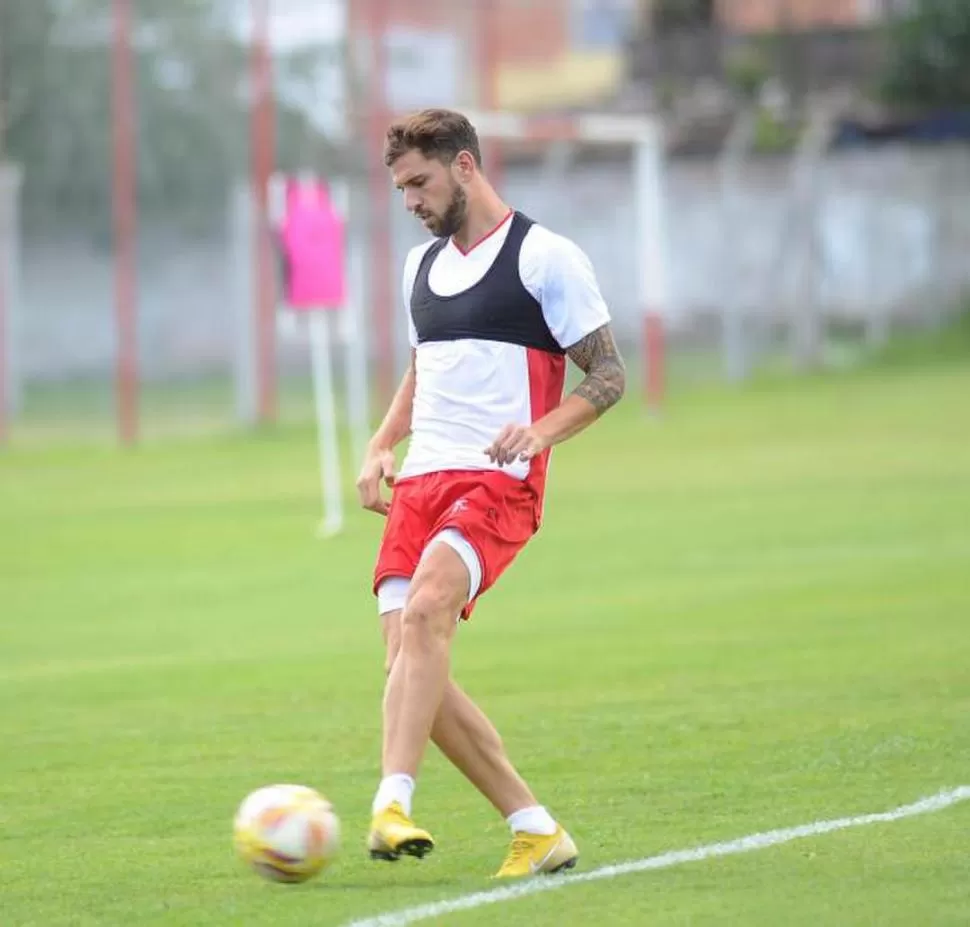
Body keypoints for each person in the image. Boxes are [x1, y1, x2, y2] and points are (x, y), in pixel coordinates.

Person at [356, 108, 626, 878]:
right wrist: (382, 443)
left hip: (498, 481)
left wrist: (542, 432)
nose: (409, 199)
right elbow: (426, 368)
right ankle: (535, 826)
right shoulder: (420, 268)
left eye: (419, 182)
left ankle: (391, 800)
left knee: (428, 610)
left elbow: (608, 374)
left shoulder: (546, 257)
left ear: (465, 166)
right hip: (420, 485)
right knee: (410, 668)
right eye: (400, 186)